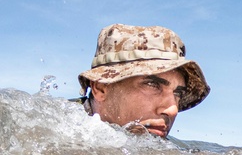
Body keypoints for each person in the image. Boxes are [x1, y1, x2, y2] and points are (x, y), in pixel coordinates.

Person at [77, 24, 210, 139]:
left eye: (178, 93)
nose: (173, 110)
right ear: (101, 88)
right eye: (153, 85)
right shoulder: (60, 133)